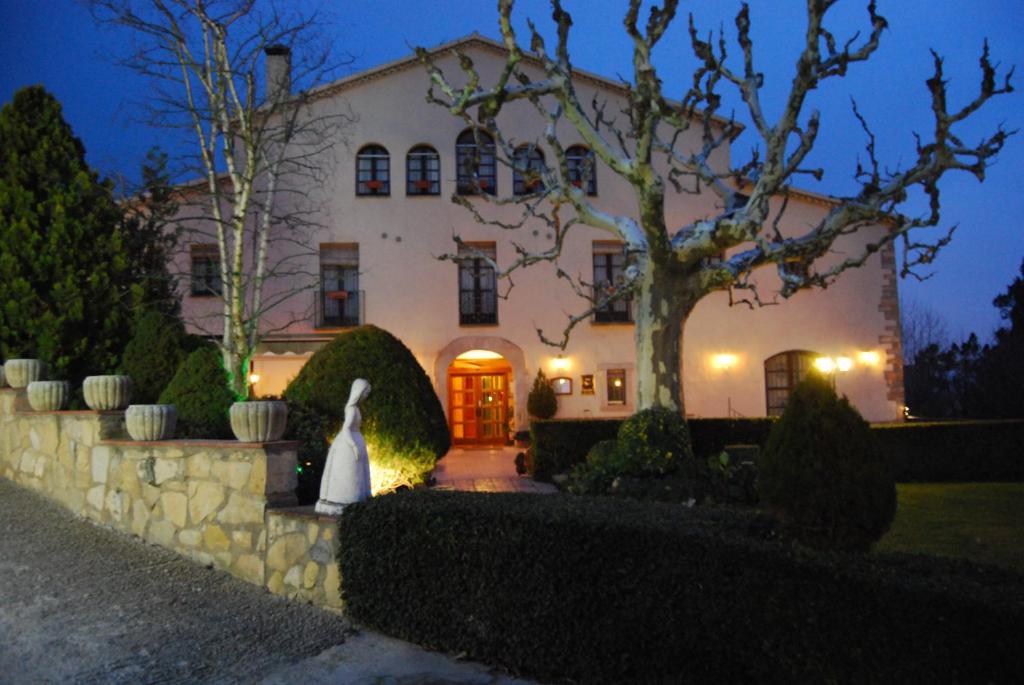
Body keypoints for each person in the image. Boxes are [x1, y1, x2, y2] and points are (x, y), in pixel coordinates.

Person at [315, 378, 372, 515]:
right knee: (348, 473)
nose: (365, 396)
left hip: (355, 440)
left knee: (355, 473)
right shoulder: (352, 409)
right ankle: (343, 498)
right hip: (348, 444)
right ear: (359, 392)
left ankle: (353, 497)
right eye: (364, 393)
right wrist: (353, 445)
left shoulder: (355, 408)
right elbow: (346, 428)